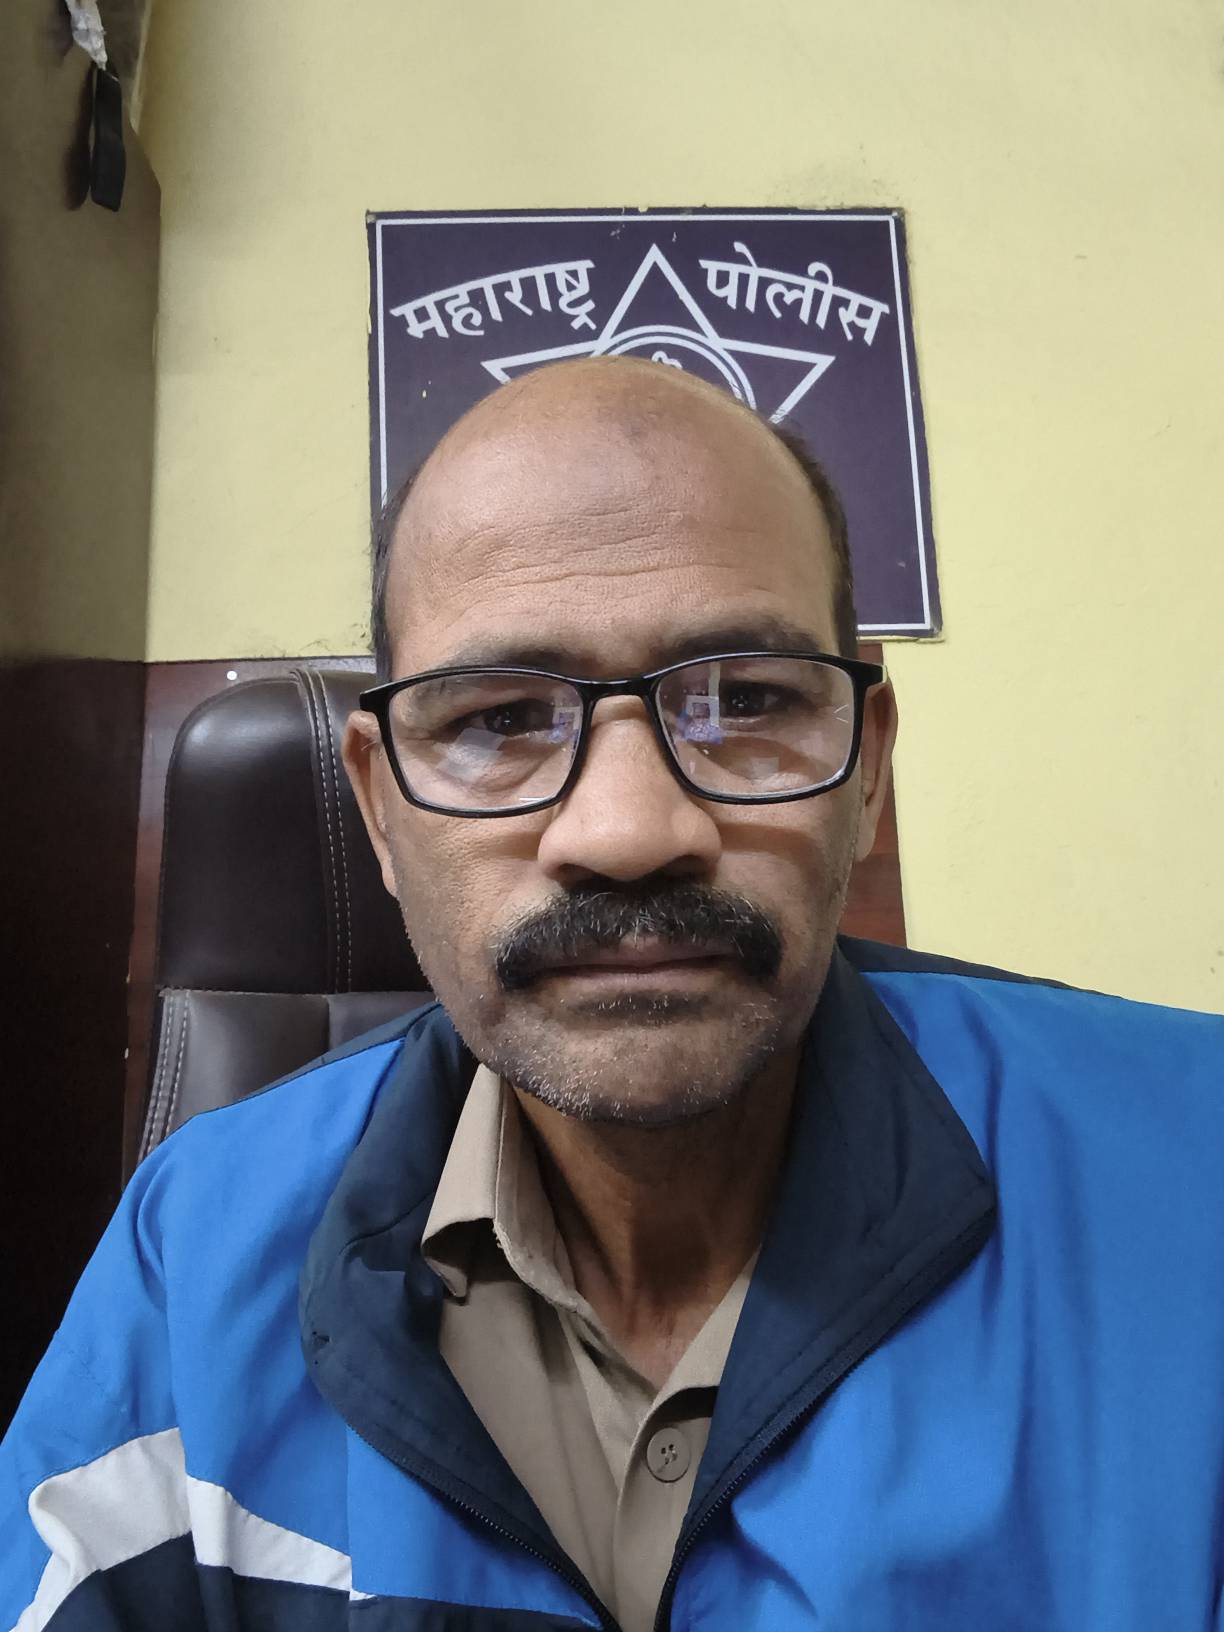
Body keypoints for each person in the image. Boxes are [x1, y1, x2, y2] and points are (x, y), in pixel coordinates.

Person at [2, 358, 1221, 1632]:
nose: (631, 831)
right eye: (498, 721)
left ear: (867, 770)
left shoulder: (1199, 1172)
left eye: (746, 700)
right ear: (379, 805)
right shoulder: (194, 1244)